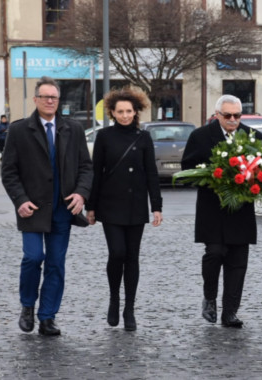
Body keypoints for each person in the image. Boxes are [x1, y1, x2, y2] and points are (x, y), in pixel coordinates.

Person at [1, 76, 93, 336]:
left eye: (54, 97)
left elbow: (86, 167)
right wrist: (20, 200)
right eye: (45, 96)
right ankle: (28, 305)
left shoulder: (73, 128)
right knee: (33, 257)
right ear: (36, 100)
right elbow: (9, 172)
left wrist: (81, 194)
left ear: (58, 100)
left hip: (63, 209)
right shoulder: (19, 130)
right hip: (32, 208)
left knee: (55, 263)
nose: (50, 100)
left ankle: (47, 317)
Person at [181, 95, 262, 328]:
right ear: (217, 115)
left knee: (238, 261)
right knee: (214, 253)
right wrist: (210, 178)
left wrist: (254, 183)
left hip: (241, 209)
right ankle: (209, 297)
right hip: (212, 207)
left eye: (237, 115)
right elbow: (187, 168)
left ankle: (230, 312)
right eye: (227, 115)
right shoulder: (200, 136)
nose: (232, 120)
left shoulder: (253, 136)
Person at [86, 88, 163, 331]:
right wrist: (91, 206)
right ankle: (113, 299)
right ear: (112, 112)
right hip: (110, 206)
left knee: (132, 257)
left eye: (129, 111)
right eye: (120, 111)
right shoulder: (104, 137)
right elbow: (96, 172)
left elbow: (152, 173)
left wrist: (157, 207)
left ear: (136, 112)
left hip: (136, 206)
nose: (125, 115)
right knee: (117, 253)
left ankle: (129, 308)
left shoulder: (144, 138)